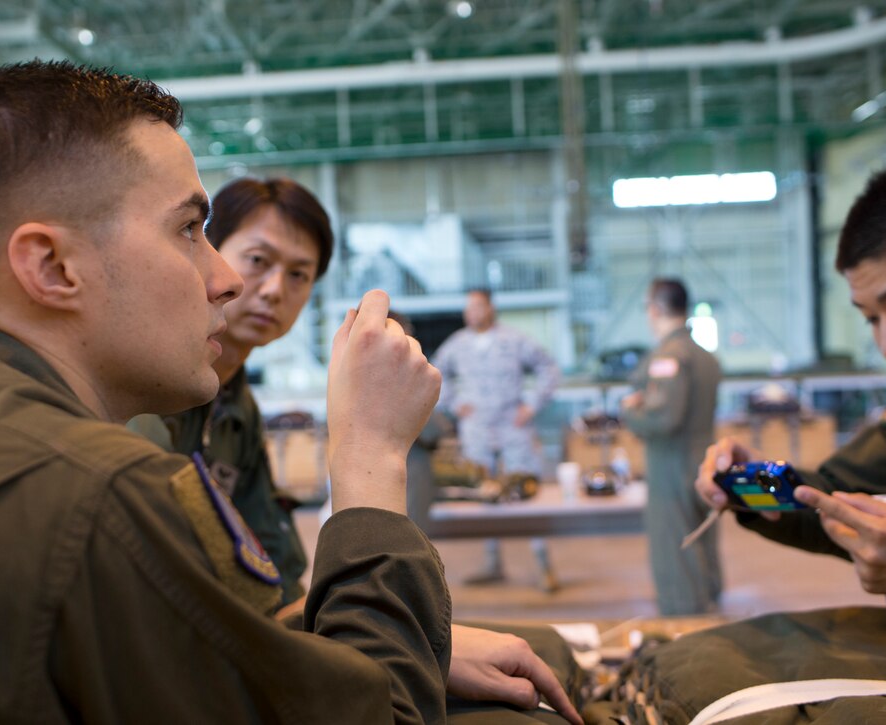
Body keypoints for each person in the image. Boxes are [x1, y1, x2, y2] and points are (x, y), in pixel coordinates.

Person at [0, 60, 453, 722]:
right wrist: (368, 452)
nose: (228, 280)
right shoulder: (99, 493)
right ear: (53, 266)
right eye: (189, 230)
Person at [142, 177, 583, 723]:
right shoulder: (152, 402)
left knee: (540, 656)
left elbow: (274, 583)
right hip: (199, 670)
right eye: (257, 260)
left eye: (299, 274)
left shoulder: (235, 407)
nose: (274, 288)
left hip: (248, 642)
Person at [582, 160, 886, 724]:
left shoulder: (670, 357)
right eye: (871, 318)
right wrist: (754, 487)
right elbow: (830, 495)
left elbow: (661, 416)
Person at [432, 288, 561, 591]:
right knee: (484, 491)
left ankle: (543, 564)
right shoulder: (458, 344)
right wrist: (454, 403)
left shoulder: (514, 340)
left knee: (526, 490)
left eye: (477, 306)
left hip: (512, 426)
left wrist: (531, 405)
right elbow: (434, 373)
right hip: (476, 428)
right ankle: (493, 563)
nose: (471, 312)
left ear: (490, 308)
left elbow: (549, 368)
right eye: (468, 307)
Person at [619, 278, 722, 615]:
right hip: (703, 458)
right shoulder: (704, 355)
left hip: (671, 464)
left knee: (674, 541)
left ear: (655, 309)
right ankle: (708, 597)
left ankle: (684, 614)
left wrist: (631, 411)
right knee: (702, 534)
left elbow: (663, 418)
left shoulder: (670, 356)